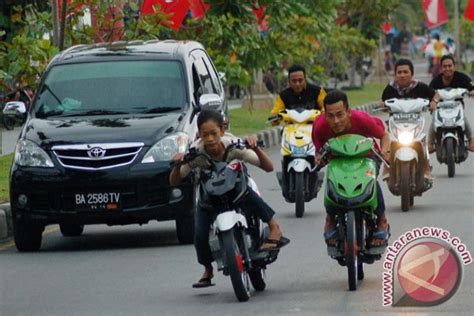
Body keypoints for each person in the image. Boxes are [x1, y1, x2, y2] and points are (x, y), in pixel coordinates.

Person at [169, 110, 288, 288]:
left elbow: (268, 167)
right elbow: (174, 181)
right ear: (199, 135)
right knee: (200, 236)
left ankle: (273, 226)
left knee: (249, 194)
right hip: (209, 198)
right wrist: (177, 165)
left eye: (213, 134)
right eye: (205, 134)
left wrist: (255, 147)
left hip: (236, 192)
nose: (210, 139)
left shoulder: (233, 146)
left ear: (222, 131)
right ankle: (208, 269)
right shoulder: (196, 153)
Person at [312, 90, 391, 248]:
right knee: (331, 179)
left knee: (371, 180)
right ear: (325, 115)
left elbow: (384, 136)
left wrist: (385, 151)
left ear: (348, 111)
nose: (336, 121)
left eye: (340, 114)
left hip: (367, 157)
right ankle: (330, 219)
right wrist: (319, 159)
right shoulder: (319, 126)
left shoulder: (362, 120)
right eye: (331, 116)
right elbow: (319, 152)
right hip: (337, 159)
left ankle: (381, 220)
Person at [380, 58, 438, 181]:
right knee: (390, 141)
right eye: (399, 72)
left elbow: (435, 94)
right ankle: (387, 167)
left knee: (422, 140)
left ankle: (426, 167)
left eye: (406, 72)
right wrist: (381, 105)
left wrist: (434, 102)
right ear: (395, 74)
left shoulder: (420, 87)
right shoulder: (390, 89)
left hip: (415, 124)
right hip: (396, 124)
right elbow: (382, 101)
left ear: (411, 73)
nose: (402, 75)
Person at [429, 54, 474, 152]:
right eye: (445, 66)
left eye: (450, 66)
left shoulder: (462, 77)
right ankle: (430, 143)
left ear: (454, 66)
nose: (447, 68)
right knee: (434, 121)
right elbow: (428, 93)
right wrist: (430, 102)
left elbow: (472, 86)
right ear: (441, 68)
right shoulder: (436, 81)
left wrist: (472, 91)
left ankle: (471, 140)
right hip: (440, 108)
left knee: (463, 119)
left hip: (457, 107)